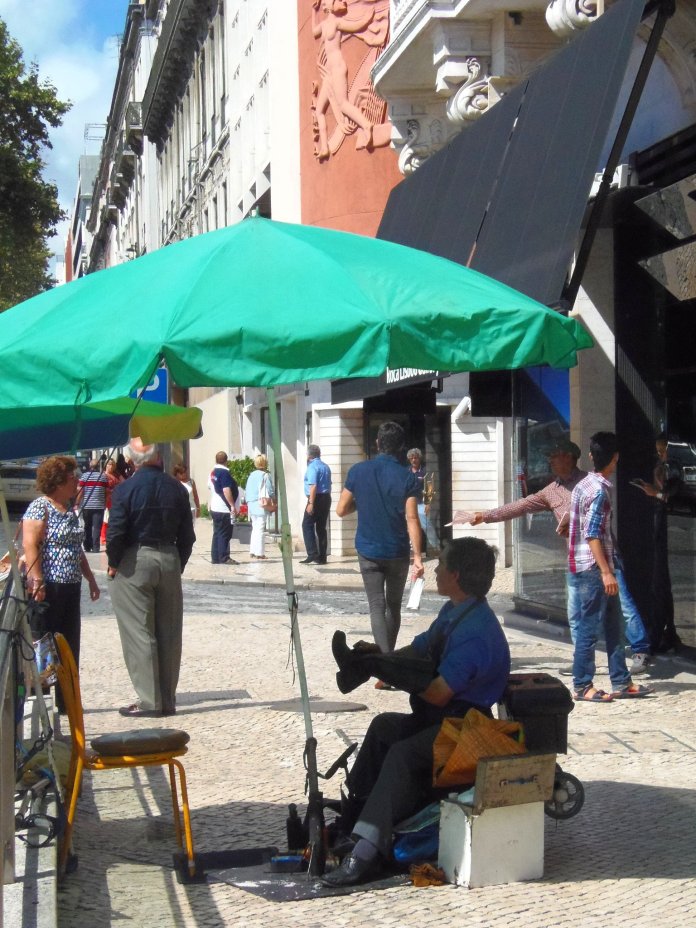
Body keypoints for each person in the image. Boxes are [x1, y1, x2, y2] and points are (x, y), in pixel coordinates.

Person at [323, 537, 510, 887]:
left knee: (404, 754)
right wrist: (377, 657)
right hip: (444, 720)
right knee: (383, 727)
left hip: (465, 729)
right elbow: (419, 650)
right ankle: (353, 821)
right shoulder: (455, 611)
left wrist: (387, 671)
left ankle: (367, 851)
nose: (435, 570)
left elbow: (438, 694)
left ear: (454, 575)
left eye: (441, 566)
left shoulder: (476, 633)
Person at [465, 437, 653, 676]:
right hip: (577, 560)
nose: (551, 461)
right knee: (576, 614)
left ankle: (640, 649)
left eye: (555, 455)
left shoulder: (589, 483)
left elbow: (601, 521)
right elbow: (521, 506)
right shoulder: (550, 491)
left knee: (622, 605)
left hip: (604, 556)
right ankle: (582, 661)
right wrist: (485, 516)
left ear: (569, 457)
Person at [106, 439, 195, 718]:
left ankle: (149, 700)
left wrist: (113, 561)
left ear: (132, 461)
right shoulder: (177, 488)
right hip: (169, 555)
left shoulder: (124, 489)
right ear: (159, 457)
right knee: (169, 631)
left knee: (139, 632)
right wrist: (176, 562)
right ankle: (167, 699)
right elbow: (188, 535)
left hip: (135, 558)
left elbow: (116, 530)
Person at [568, 432, 653, 703]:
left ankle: (621, 680)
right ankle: (582, 685)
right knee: (589, 630)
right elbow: (592, 533)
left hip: (594, 565)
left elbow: (577, 524)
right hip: (594, 569)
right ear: (615, 459)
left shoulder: (583, 485)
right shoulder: (599, 492)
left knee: (614, 626)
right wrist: (606, 571)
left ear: (592, 456)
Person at [337, 421, 424, 657]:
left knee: (376, 606)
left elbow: (341, 509)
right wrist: (417, 556)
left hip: (368, 549)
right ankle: (388, 661)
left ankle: (384, 664)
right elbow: (412, 518)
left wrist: (361, 503)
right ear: (401, 448)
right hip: (397, 550)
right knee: (393, 606)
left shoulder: (357, 471)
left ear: (377, 443)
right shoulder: (408, 479)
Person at [22, 456, 100, 710]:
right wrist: (38, 581)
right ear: (58, 481)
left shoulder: (69, 509)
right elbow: (30, 545)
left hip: (70, 585)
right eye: (72, 477)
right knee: (45, 641)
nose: (77, 481)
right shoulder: (40, 507)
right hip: (48, 586)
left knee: (69, 642)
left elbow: (76, 549)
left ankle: (67, 700)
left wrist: (90, 578)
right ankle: (41, 699)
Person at [631, 433, 680, 653]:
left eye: (664, 450)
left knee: (662, 584)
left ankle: (665, 633)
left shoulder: (675, 468)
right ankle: (663, 632)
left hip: (669, 526)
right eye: (658, 451)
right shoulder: (662, 466)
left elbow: (676, 495)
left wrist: (657, 493)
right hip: (657, 525)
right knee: (659, 584)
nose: (661, 455)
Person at [301, 444, 332, 565]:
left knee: (306, 524)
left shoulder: (312, 467)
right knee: (321, 527)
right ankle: (322, 556)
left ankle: (312, 553)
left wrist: (311, 503)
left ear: (309, 455)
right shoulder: (325, 466)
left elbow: (313, 485)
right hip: (326, 497)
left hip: (316, 498)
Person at [207, 451, 239, 565]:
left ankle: (215, 557)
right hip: (223, 508)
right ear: (226, 461)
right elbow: (226, 490)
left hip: (215, 507)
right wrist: (232, 505)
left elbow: (210, 487)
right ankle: (224, 557)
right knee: (225, 533)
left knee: (217, 532)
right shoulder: (224, 473)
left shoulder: (213, 472)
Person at [406, 447, 439, 553]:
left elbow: (430, 487)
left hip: (421, 503)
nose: (414, 460)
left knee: (426, 525)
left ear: (419, 458)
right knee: (409, 526)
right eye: (411, 458)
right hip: (409, 503)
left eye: (415, 458)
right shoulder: (406, 471)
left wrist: (428, 503)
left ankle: (435, 546)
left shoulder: (425, 471)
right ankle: (412, 549)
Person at [76, 458, 110, 553]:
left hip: (86, 506)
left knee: (87, 526)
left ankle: (87, 546)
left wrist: (77, 503)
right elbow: (107, 492)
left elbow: (80, 491)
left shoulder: (84, 476)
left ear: (89, 466)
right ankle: (96, 547)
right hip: (99, 506)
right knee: (97, 527)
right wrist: (106, 503)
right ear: (99, 466)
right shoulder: (103, 477)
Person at [244, 454, 275, 559]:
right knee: (261, 528)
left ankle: (252, 550)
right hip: (261, 503)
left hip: (251, 503)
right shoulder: (265, 475)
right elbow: (270, 490)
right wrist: (274, 499)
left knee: (255, 527)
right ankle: (260, 553)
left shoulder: (251, 475)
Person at [100, 458, 125, 546]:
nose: (110, 466)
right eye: (109, 464)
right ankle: (103, 537)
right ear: (105, 465)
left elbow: (124, 483)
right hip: (107, 499)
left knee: (113, 518)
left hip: (116, 499)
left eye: (112, 464)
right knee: (106, 518)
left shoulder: (116, 475)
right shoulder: (103, 475)